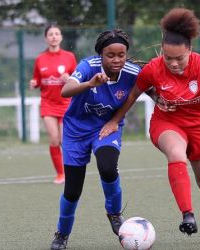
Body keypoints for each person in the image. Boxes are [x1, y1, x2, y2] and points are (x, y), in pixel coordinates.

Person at [99, 8, 200, 243]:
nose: (173, 63)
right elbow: (132, 95)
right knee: (176, 154)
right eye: (168, 58)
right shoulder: (153, 68)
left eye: (179, 58)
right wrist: (114, 121)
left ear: (190, 51)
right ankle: (188, 214)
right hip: (167, 123)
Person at [50, 29, 143, 250]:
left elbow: (148, 87)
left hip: (106, 128)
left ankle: (114, 213)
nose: (117, 59)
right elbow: (66, 90)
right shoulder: (88, 66)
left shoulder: (132, 72)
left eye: (121, 54)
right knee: (72, 190)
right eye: (110, 55)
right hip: (75, 131)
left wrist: (161, 99)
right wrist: (90, 84)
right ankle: (62, 234)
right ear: (100, 54)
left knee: (108, 167)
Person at [30, 23, 77, 184]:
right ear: (46, 38)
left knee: (66, 140)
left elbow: (78, 79)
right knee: (54, 139)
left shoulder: (69, 57)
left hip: (66, 104)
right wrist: (34, 83)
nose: (54, 37)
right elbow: (37, 80)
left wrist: (68, 79)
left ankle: (72, 171)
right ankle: (60, 174)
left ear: (61, 37)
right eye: (50, 34)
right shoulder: (40, 59)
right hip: (48, 104)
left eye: (57, 33)